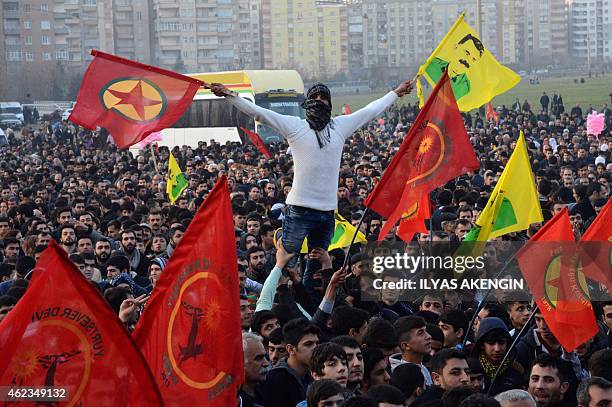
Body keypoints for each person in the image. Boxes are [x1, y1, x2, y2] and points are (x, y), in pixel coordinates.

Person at [208, 79, 415, 268]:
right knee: (287, 262)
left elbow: (371, 110)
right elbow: (259, 113)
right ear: (307, 102)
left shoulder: (340, 127)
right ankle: (276, 301)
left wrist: (395, 93)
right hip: (299, 210)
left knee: (316, 264)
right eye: (315, 97)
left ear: (330, 103)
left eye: (324, 98)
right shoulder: (295, 126)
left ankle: (312, 302)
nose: (320, 101)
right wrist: (229, 94)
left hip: (327, 213)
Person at [258, 318, 321, 407]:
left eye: (317, 343)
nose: (315, 348)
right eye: (308, 344)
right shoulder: (274, 380)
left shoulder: (315, 375)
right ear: (291, 349)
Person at [240, 332, 269, 407]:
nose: (266, 363)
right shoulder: (232, 401)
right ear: (239, 363)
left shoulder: (270, 389)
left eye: (265, 356)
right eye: (258, 358)